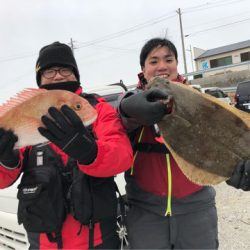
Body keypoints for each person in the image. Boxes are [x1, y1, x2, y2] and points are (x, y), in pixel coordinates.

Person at [0, 41, 133, 249]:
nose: (58, 76)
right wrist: (6, 160)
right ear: (40, 78)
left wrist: (89, 152)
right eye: (50, 71)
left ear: (76, 74)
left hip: (98, 241)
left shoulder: (98, 109)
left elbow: (122, 156)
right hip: (44, 244)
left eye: (65, 69)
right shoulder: (28, 110)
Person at [118, 37, 219, 249]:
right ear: (143, 69)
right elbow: (118, 118)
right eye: (153, 61)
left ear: (176, 64)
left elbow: (221, 141)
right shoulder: (131, 101)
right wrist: (128, 109)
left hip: (197, 209)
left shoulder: (197, 98)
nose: (162, 66)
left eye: (168, 59)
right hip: (145, 212)